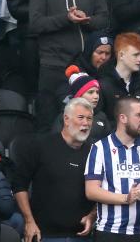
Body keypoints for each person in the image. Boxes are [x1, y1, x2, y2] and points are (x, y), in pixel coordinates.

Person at [29, 0, 109, 126]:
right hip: (53, 65)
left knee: (85, 122)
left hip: (84, 66)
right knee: (49, 122)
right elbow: (35, 23)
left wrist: (86, 20)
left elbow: (104, 18)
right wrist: (66, 18)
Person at [13, 97, 96, 242]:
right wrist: (28, 221)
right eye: (81, 117)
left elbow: (106, 188)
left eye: (89, 119)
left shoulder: (95, 152)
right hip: (45, 235)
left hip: (82, 237)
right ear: (66, 119)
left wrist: (92, 215)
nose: (86, 123)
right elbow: (19, 185)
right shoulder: (40, 145)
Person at [85, 97, 140, 241]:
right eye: (138, 115)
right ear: (123, 118)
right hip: (110, 231)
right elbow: (91, 191)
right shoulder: (100, 148)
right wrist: (126, 198)